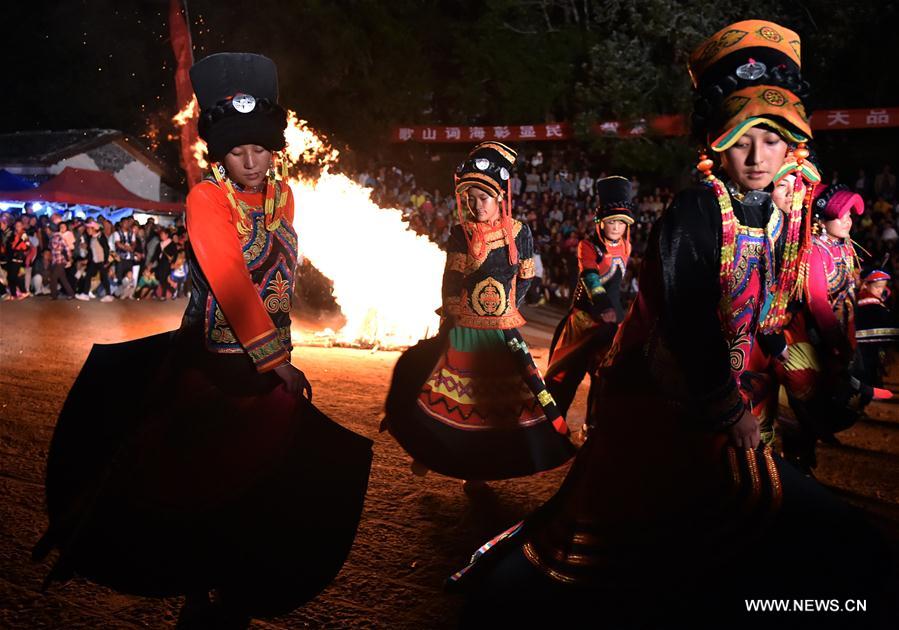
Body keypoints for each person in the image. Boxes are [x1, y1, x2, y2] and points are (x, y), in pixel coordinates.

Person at [447, 21, 890, 626]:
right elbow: (685, 319)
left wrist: (817, 378)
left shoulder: (790, 223)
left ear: (793, 142)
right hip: (672, 408)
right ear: (716, 139)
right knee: (642, 546)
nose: (756, 158)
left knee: (736, 543)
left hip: (743, 407)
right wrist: (727, 408)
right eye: (740, 140)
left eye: (771, 139)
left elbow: (779, 316)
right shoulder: (696, 210)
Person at [33, 52, 373, 626]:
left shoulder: (284, 197)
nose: (251, 160)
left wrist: (281, 357)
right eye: (237, 150)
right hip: (216, 362)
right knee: (195, 474)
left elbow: (280, 279)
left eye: (261, 148)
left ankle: (243, 578)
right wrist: (273, 361)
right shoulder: (205, 200)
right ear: (217, 150)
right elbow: (232, 281)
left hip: (274, 360)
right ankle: (191, 584)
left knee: (271, 478)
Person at [381, 141, 574, 493]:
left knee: (494, 406)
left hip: (502, 332)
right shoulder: (461, 233)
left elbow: (527, 276)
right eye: (468, 198)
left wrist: (505, 307)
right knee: (442, 397)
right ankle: (430, 451)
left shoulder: (520, 233)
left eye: (481, 198)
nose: (474, 205)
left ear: (500, 196)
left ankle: (477, 472)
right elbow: (451, 279)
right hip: (464, 329)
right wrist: (454, 314)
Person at [544, 176, 634, 420]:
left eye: (621, 223)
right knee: (563, 377)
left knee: (606, 379)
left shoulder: (627, 247)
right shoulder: (588, 246)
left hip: (613, 323)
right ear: (600, 222)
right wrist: (603, 305)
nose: (616, 227)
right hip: (584, 322)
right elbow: (590, 276)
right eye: (611, 221)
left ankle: (593, 430)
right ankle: (551, 428)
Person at [854, 269, 899, 388]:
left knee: (874, 363)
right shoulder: (868, 302)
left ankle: (874, 384)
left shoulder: (873, 299)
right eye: (877, 287)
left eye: (882, 287)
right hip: (865, 343)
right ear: (866, 285)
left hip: (871, 343)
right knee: (868, 363)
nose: (880, 290)